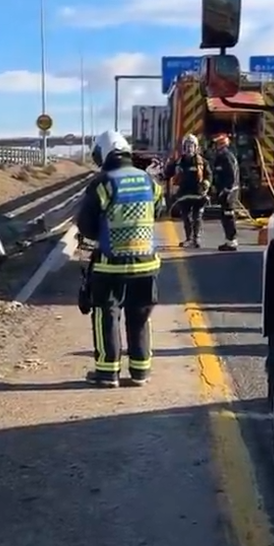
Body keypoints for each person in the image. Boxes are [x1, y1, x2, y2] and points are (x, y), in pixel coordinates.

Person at [74, 130, 163, 387]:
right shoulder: (149, 182)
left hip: (110, 265)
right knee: (140, 315)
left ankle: (107, 372)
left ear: (103, 153)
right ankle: (140, 372)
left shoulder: (103, 183)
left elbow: (86, 225)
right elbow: (158, 210)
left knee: (106, 314)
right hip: (147, 264)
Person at [170, 134, 210, 248]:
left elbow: (209, 175)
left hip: (198, 194)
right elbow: (168, 172)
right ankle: (189, 238)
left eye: (191, 145)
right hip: (184, 195)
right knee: (186, 217)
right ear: (184, 147)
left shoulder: (202, 162)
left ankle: (196, 239)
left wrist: (206, 183)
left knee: (197, 217)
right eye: (187, 145)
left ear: (196, 147)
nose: (189, 148)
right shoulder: (179, 162)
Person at [209, 133, 240, 251]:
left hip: (229, 193)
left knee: (228, 216)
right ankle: (229, 240)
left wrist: (226, 190)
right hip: (225, 192)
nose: (215, 147)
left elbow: (231, 176)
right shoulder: (221, 157)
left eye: (217, 144)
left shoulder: (226, 157)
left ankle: (232, 241)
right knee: (225, 216)